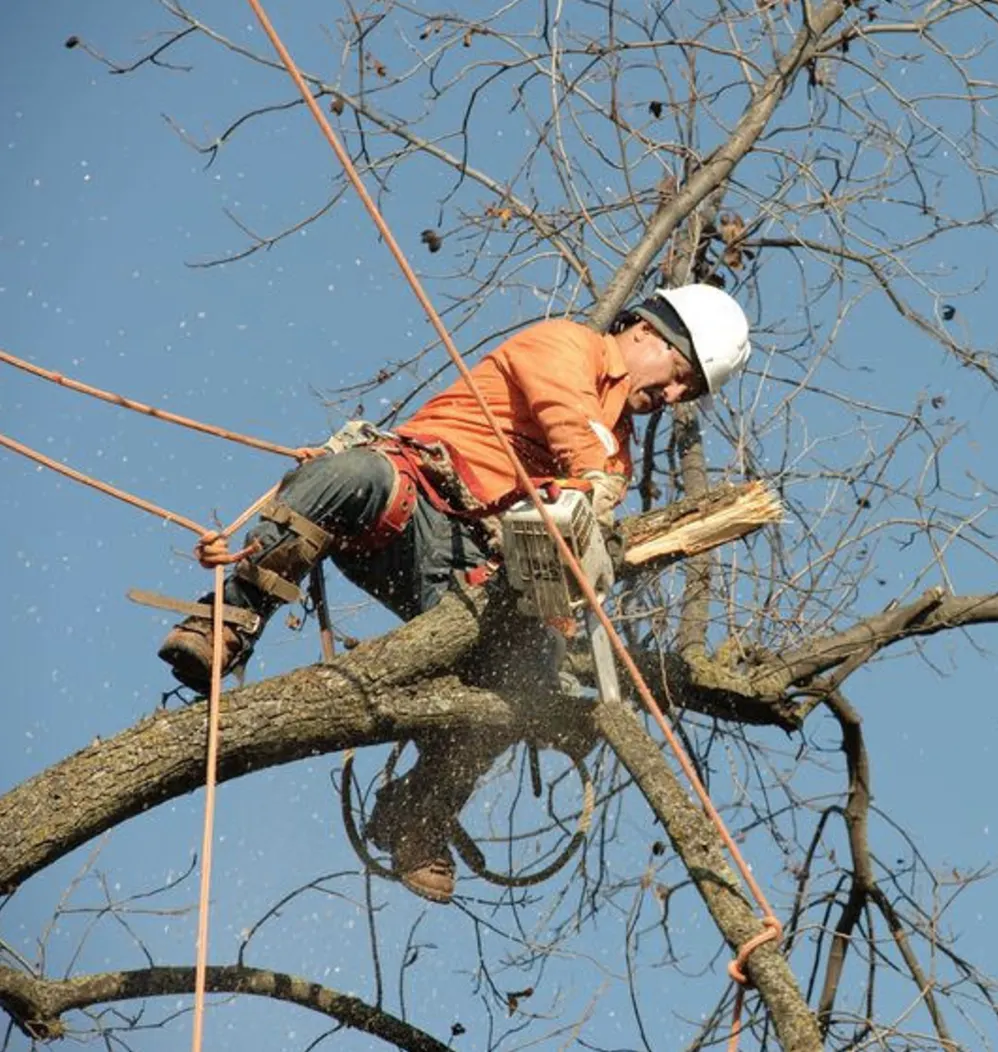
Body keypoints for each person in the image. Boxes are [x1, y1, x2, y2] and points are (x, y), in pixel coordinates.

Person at [155, 284, 752, 902]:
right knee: (351, 473)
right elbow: (572, 425)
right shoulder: (567, 347)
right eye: (681, 374)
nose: (675, 396)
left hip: (469, 572)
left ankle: (420, 811)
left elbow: (591, 482)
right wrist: (595, 481)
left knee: (531, 670)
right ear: (647, 332)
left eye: (691, 393)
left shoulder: (617, 450)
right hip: (409, 505)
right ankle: (228, 621)